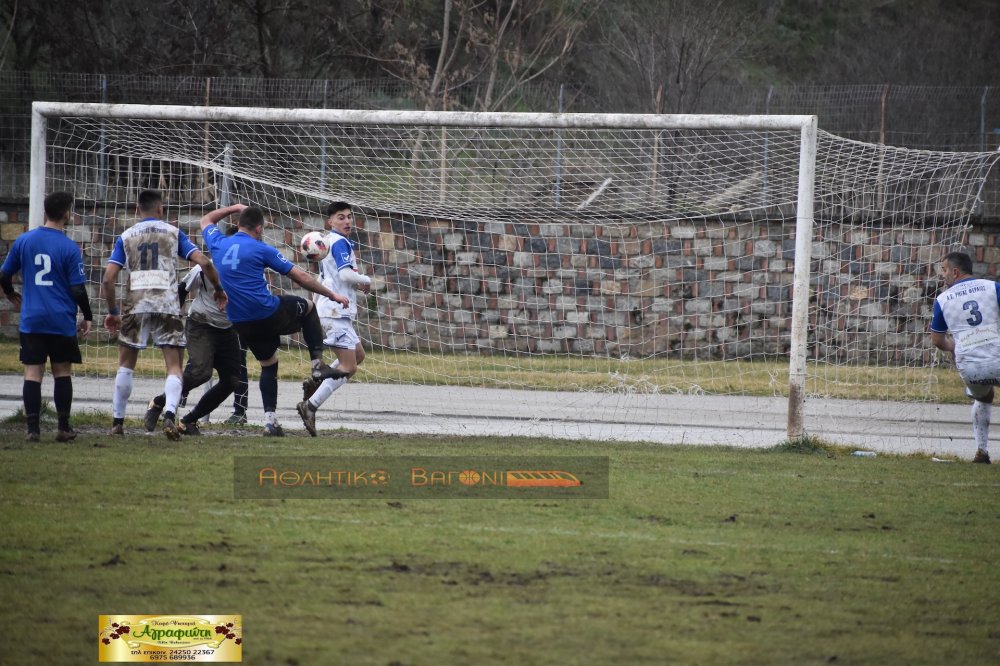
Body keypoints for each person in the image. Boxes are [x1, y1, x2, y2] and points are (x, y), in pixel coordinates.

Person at [200, 204, 349, 436]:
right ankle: (317, 365)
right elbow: (299, 276)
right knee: (309, 308)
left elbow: (206, 220)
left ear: (238, 224)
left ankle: (271, 422)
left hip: (239, 322)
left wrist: (234, 208)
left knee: (269, 363)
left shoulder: (217, 242)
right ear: (259, 229)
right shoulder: (261, 249)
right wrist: (332, 294)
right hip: (265, 313)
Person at [101, 189, 227, 440]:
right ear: (161, 210)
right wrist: (219, 290)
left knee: (126, 366)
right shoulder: (172, 232)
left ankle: (117, 423)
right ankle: (169, 414)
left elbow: (108, 279)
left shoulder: (125, 236)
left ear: (138, 210)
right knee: (174, 366)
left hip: (136, 304)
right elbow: (204, 262)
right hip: (167, 305)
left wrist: (113, 312)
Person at [0, 191, 93, 442]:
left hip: (32, 319)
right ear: (67, 214)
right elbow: (77, 288)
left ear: (45, 211)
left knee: (32, 373)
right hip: (60, 319)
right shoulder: (69, 248)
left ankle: (32, 429)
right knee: (62, 371)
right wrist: (88, 316)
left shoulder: (24, 241)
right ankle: (63, 427)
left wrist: (10, 293)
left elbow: (4, 274)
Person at [143, 223, 248, 435]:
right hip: (201, 325)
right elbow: (182, 289)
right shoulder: (204, 268)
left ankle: (188, 420)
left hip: (227, 329)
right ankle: (160, 403)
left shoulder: (250, 270)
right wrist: (173, 317)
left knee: (232, 380)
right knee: (200, 372)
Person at [297, 202, 371, 437]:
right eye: (341, 218)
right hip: (335, 312)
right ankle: (311, 402)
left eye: (350, 217)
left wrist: (357, 281)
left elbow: (340, 276)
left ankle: (314, 385)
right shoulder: (338, 242)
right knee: (350, 366)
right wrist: (366, 279)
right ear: (330, 222)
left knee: (358, 356)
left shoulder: (330, 241)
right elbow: (344, 274)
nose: (347, 221)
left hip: (334, 311)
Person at [930, 251, 1000, 464]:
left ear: (955, 271)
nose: (943, 275)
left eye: (944, 270)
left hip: (970, 368)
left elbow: (937, 341)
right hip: (998, 359)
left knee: (984, 398)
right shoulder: (992, 288)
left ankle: (981, 451)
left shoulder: (942, 300)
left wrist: (955, 347)